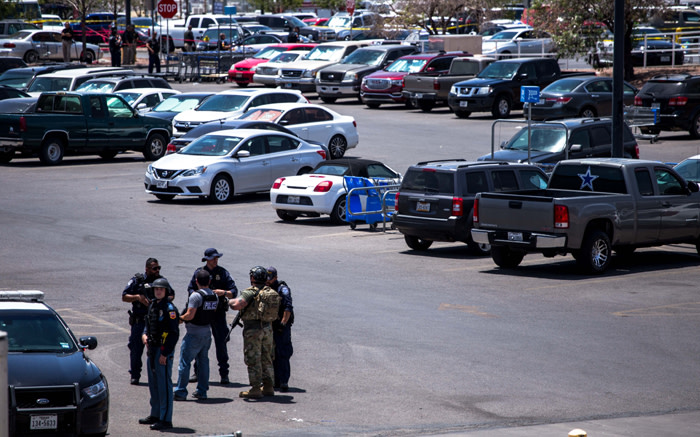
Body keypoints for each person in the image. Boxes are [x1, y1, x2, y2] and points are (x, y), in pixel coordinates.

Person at [187, 248, 237, 385]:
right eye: (213, 258)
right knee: (199, 342)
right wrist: (200, 294)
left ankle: (224, 374)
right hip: (202, 313)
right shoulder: (199, 273)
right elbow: (190, 289)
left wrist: (224, 292)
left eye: (217, 258)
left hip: (218, 313)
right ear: (207, 259)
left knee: (221, 343)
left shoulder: (223, 273)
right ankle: (197, 372)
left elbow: (234, 291)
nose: (216, 260)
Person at [229, 266, 280, 399]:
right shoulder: (269, 291)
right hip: (268, 329)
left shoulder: (250, 292)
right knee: (267, 357)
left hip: (253, 330)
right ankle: (268, 387)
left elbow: (237, 305)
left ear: (253, 278)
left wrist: (227, 301)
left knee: (253, 358)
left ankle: (255, 388)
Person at [122, 258, 174, 385]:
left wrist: (159, 300)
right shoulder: (138, 280)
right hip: (140, 321)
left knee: (156, 349)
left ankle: (156, 374)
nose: (157, 270)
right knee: (136, 349)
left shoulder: (161, 281)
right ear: (147, 269)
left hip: (156, 321)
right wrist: (138, 298)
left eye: (158, 268)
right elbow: (124, 296)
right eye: (154, 268)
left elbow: (172, 295)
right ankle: (135, 375)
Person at [139, 278, 179, 431]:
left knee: (164, 385)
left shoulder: (170, 309)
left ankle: (166, 419)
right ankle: (155, 414)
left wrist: (165, 353)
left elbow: (173, 333)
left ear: (166, 291)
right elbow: (148, 325)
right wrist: (144, 335)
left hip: (163, 350)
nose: (158, 291)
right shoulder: (153, 306)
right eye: (156, 289)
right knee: (153, 384)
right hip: (152, 348)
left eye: (161, 289)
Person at [174, 269, 217, 401]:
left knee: (185, 363)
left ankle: (181, 391)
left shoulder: (196, 296)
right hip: (206, 333)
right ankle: (202, 391)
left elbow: (190, 315)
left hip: (194, 334)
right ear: (209, 281)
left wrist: (178, 319)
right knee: (203, 362)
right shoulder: (214, 295)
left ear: (196, 281)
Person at [267, 266, 294, 392]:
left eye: (270, 279)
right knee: (270, 353)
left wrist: (282, 324)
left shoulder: (282, 289)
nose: (268, 281)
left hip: (281, 326)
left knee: (283, 352)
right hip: (269, 325)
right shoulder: (265, 288)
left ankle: (283, 381)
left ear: (276, 278)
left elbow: (288, 307)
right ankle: (274, 381)